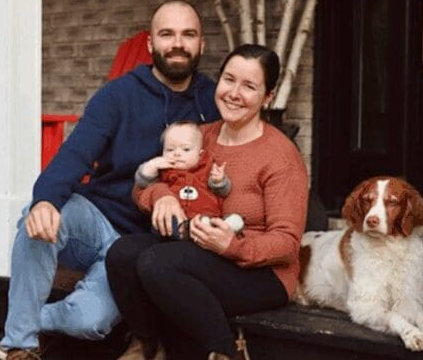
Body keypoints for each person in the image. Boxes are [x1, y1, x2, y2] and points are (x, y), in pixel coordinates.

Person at [0, 0, 221, 360]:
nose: (177, 44)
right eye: (167, 34)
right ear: (150, 44)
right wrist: (46, 200)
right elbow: (75, 154)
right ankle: (19, 344)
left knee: (90, 322)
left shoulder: (214, 101)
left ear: (201, 44)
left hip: (137, 247)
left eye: (188, 34)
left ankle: (28, 319)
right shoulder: (118, 95)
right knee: (38, 218)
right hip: (97, 217)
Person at [106, 44, 309, 360]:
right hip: (199, 250)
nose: (234, 93)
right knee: (122, 254)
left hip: (262, 273)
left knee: (158, 263)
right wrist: (161, 197)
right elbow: (143, 187)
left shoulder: (280, 155)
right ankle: (149, 347)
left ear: (267, 97)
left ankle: (226, 352)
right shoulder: (199, 137)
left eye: (249, 86)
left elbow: (286, 243)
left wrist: (233, 246)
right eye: (229, 79)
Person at [135, 120, 235, 240]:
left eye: (186, 149)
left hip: (204, 217)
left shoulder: (207, 168)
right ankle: (177, 231)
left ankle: (222, 225)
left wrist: (219, 181)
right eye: (170, 150)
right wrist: (151, 166)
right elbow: (143, 183)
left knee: (211, 222)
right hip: (174, 221)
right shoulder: (165, 169)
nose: (177, 154)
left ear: (200, 154)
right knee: (163, 222)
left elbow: (223, 192)